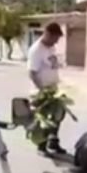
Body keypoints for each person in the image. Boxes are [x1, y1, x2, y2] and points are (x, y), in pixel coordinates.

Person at [27, 22, 66, 155]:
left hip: (53, 89)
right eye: (55, 38)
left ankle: (53, 142)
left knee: (58, 115)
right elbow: (31, 73)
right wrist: (42, 90)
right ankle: (41, 146)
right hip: (41, 92)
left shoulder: (51, 47)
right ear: (48, 34)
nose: (57, 41)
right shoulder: (36, 50)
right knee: (44, 120)